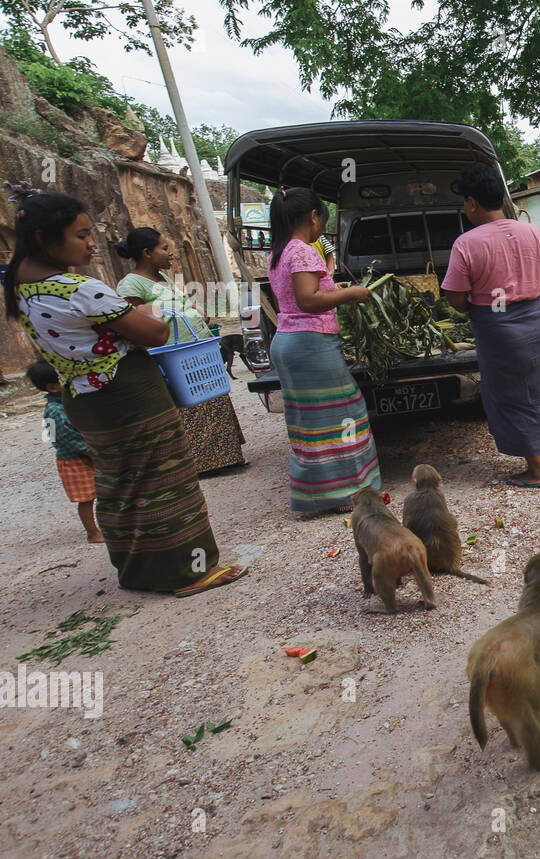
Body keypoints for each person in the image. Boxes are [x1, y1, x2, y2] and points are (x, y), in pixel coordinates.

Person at [3, 187, 245, 595]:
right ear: (46, 239)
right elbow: (154, 332)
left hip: (84, 398)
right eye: (81, 235)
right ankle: (189, 571)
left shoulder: (22, 291)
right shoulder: (79, 289)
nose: (91, 243)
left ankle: (138, 571)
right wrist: (147, 314)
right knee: (166, 479)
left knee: (122, 485)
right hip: (129, 394)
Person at [441, 163, 540, 488]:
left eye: (464, 202)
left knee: (513, 393)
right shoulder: (531, 231)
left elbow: (455, 299)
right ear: (502, 198)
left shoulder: (467, 243)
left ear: (472, 203)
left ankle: (536, 471)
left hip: (498, 328)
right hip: (535, 320)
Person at [266, 187, 379, 514]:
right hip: (310, 343)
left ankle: (316, 493)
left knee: (309, 419)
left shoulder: (279, 251)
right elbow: (308, 300)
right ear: (313, 217)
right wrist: (352, 293)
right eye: (321, 220)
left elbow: (299, 295)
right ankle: (347, 494)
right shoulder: (302, 251)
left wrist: (335, 287)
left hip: (288, 341)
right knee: (344, 411)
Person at [114, 226, 247, 473]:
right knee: (190, 402)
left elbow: (175, 307)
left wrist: (194, 311)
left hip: (195, 347)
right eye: (164, 248)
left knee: (211, 396)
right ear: (146, 252)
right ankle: (205, 463)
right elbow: (133, 322)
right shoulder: (131, 284)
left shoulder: (164, 278)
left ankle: (225, 456)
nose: (171, 253)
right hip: (172, 355)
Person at [28, 359, 103, 543]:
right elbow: (70, 439)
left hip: (88, 454)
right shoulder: (55, 411)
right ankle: (92, 532)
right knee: (86, 498)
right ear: (53, 387)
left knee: (104, 492)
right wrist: (96, 451)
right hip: (75, 460)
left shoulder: (68, 401)